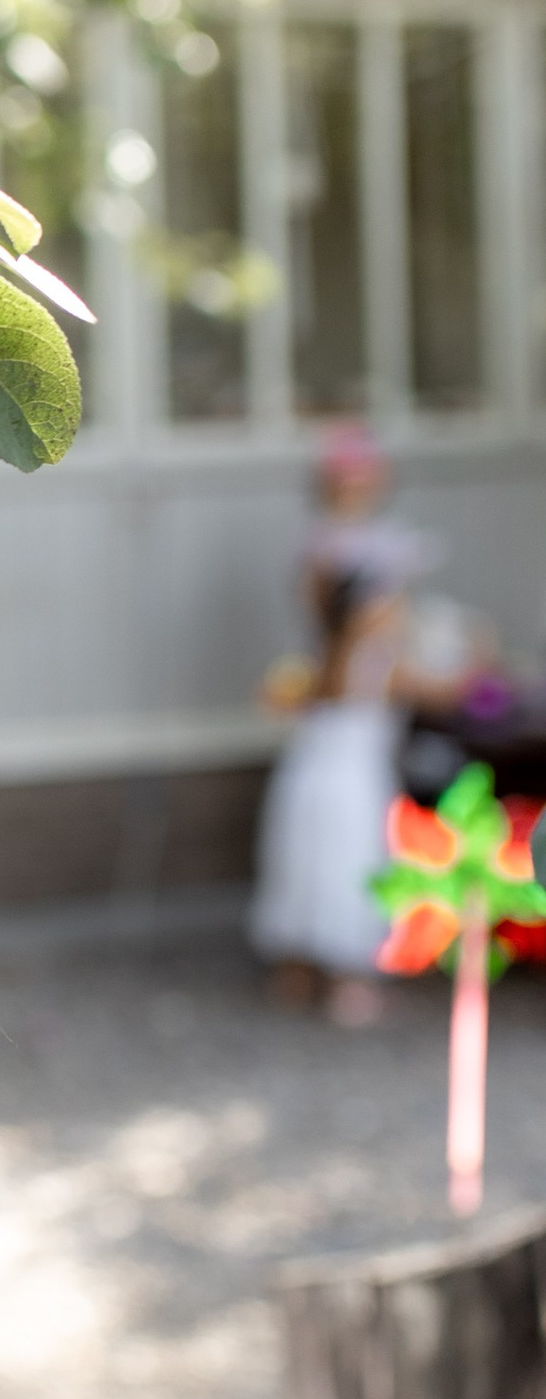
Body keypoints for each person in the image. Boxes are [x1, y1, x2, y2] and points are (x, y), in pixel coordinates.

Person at [251, 428, 440, 1028]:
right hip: (342, 738)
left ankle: (320, 963)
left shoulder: (374, 599)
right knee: (337, 846)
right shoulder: (343, 606)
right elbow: (346, 669)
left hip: (355, 735)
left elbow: (389, 669)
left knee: (330, 841)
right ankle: (329, 963)